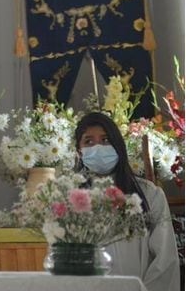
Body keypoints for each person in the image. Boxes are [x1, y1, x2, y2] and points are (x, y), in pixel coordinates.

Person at [74, 111, 178, 291]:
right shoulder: (71, 199)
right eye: (89, 142)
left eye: (106, 140)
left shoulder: (149, 194)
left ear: (118, 145)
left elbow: (165, 259)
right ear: (79, 151)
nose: (98, 147)